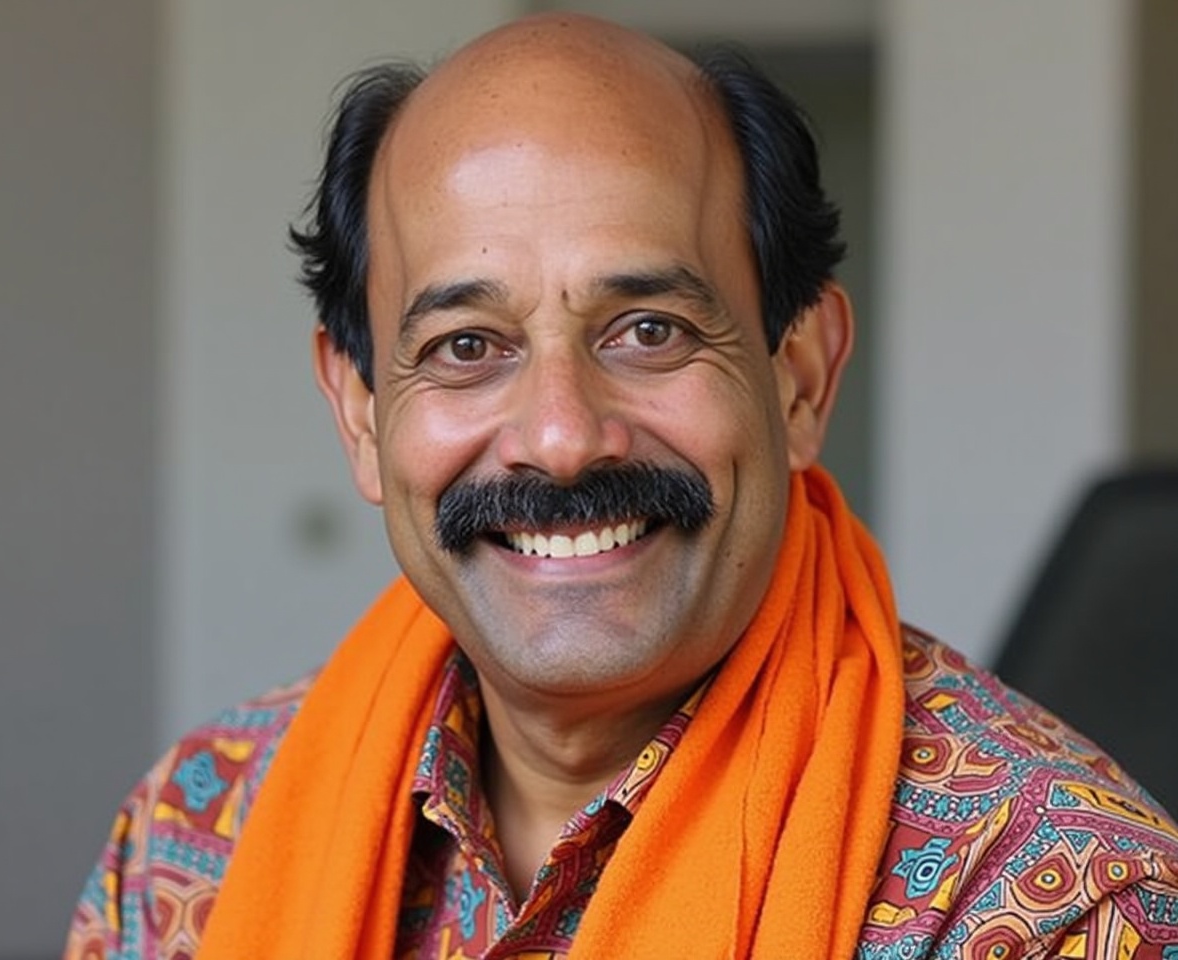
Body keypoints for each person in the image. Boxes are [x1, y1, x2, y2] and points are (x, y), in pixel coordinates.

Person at [65, 13, 1178, 960]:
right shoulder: (192, 840)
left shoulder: (1056, 906)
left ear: (797, 379)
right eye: (464, 345)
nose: (559, 439)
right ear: (359, 412)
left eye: (647, 331)